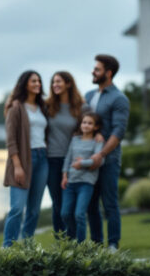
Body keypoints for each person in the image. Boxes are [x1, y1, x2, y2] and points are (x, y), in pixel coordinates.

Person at [80, 54, 129, 250]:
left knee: (110, 204)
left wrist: (101, 155)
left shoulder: (120, 99)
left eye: (97, 69)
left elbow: (118, 132)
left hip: (108, 161)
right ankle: (97, 244)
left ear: (108, 73)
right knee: (91, 205)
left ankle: (113, 244)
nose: (93, 71)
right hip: (89, 161)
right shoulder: (89, 96)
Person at [2, 70, 49, 247]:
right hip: (22, 160)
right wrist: (17, 166)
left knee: (34, 210)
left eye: (39, 81)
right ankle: (8, 248)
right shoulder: (16, 107)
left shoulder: (42, 107)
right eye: (33, 81)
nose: (37, 84)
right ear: (25, 84)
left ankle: (27, 247)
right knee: (17, 209)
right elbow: (11, 139)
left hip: (42, 158)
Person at [44, 71, 85, 237]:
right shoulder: (47, 106)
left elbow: (92, 124)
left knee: (71, 206)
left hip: (72, 162)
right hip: (52, 159)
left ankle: (75, 243)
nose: (55, 85)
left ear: (68, 84)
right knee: (58, 204)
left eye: (59, 81)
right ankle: (61, 246)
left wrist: (98, 134)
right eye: (53, 82)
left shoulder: (81, 107)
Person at [60, 111, 104, 242]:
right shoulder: (74, 140)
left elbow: (97, 161)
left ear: (95, 127)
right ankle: (71, 241)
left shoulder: (98, 141)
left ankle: (81, 246)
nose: (86, 125)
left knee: (79, 214)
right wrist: (64, 176)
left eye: (90, 123)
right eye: (84, 122)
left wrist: (82, 163)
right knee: (65, 214)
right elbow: (68, 158)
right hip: (71, 182)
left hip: (86, 183)